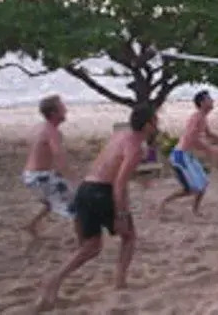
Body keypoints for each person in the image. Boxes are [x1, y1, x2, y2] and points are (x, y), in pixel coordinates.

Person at [35, 103, 159, 311]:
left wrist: (135, 178)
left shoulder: (120, 135)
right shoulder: (136, 148)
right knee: (129, 237)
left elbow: (109, 166)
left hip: (85, 189)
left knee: (91, 246)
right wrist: (121, 214)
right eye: (155, 121)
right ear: (147, 125)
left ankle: (55, 278)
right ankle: (120, 281)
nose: (157, 125)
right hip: (102, 191)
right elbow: (119, 184)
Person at [157, 90, 218, 216]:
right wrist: (210, 149)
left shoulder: (202, 117)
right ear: (202, 103)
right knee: (191, 188)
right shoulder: (196, 118)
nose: (212, 101)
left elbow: (209, 134)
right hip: (180, 156)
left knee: (203, 183)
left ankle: (195, 210)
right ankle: (164, 203)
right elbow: (192, 138)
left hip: (188, 156)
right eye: (209, 99)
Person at [21, 95, 77, 238]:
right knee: (76, 202)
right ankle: (84, 240)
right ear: (54, 113)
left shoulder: (41, 127)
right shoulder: (52, 132)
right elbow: (59, 157)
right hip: (40, 177)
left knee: (51, 201)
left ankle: (31, 225)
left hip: (30, 175)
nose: (66, 110)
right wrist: (72, 180)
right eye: (62, 108)